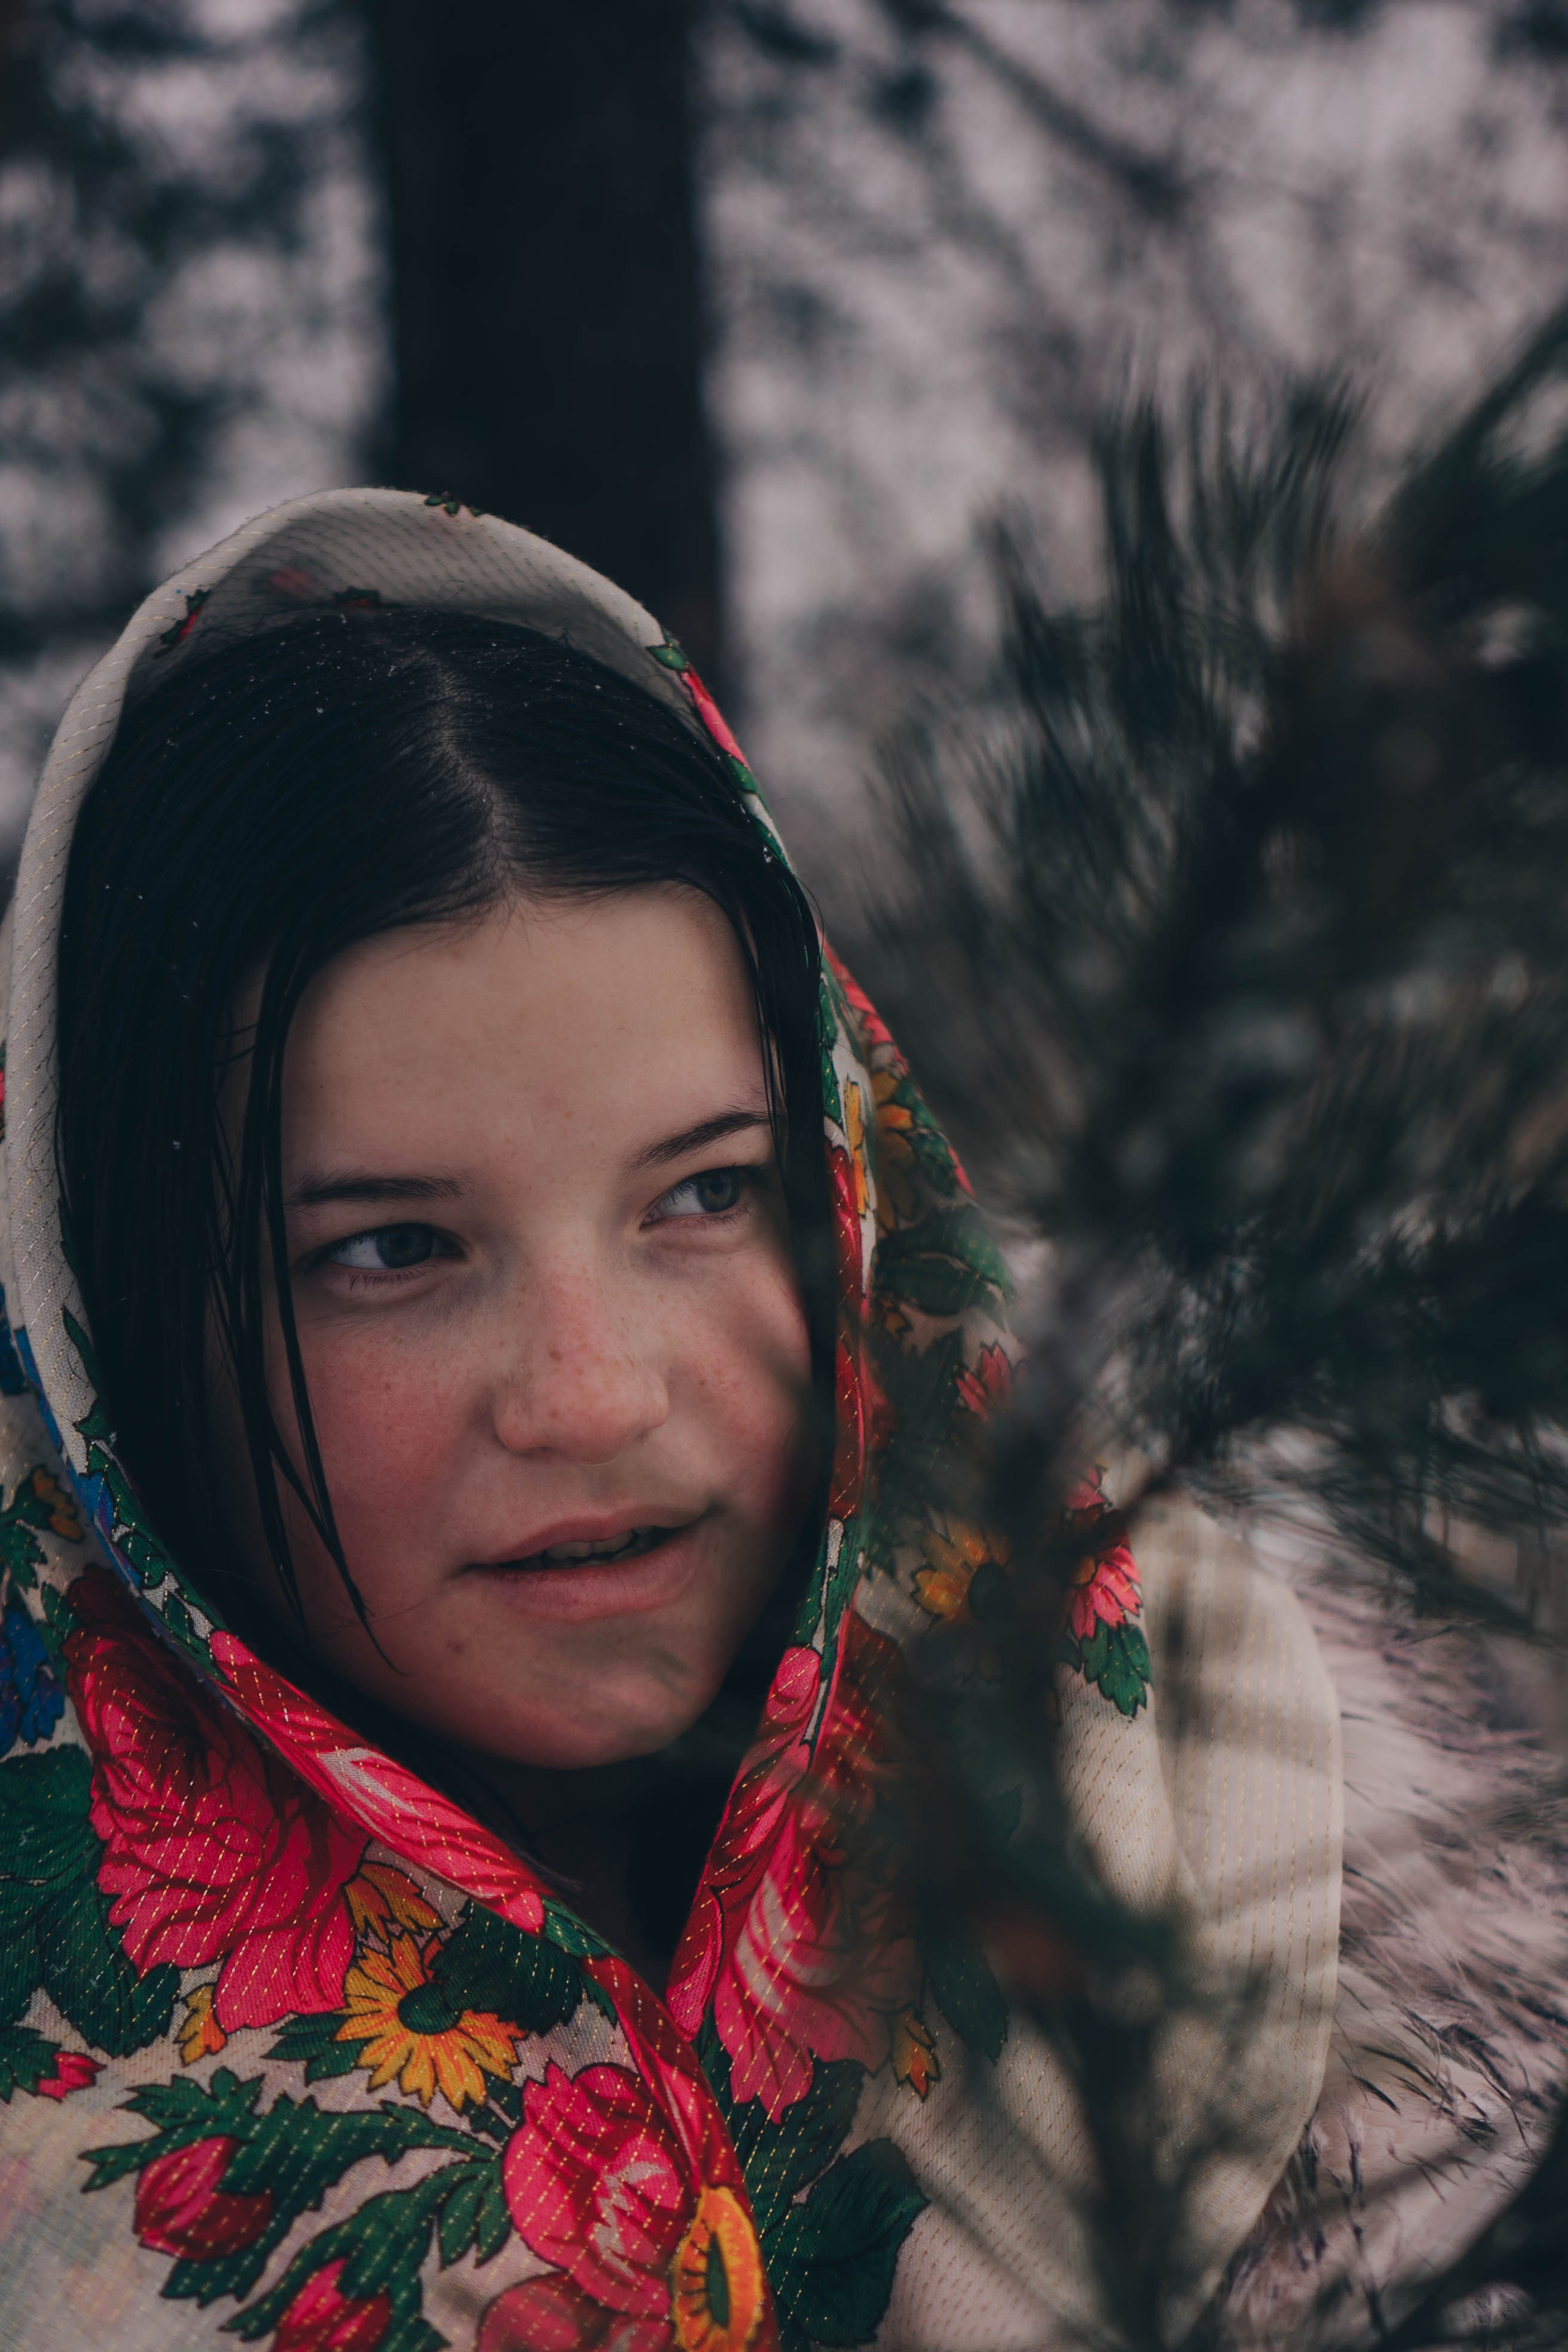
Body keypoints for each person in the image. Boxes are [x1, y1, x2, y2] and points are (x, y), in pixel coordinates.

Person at [0, 489, 1349, 2351]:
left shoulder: (1253, 1809)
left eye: (707, 1193)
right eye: (391, 1249)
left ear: (849, 1203)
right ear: (120, 1327)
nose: (594, 1396)